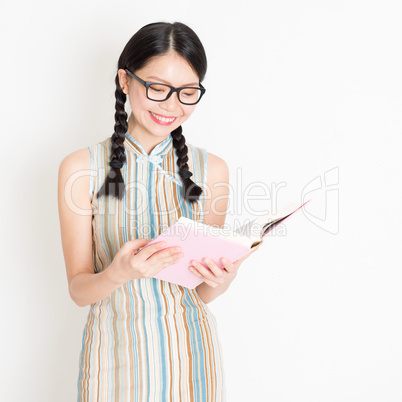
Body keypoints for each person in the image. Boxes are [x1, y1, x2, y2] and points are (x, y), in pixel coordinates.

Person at [58, 21, 257, 401]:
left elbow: (200, 292)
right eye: (157, 88)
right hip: (113, 360)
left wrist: (223, 278)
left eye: (187, 92)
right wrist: (118, 273)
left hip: (193, 362)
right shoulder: (80, 168)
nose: (171, 105)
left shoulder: (212, 170)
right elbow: (79, 291)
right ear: (124, 80)